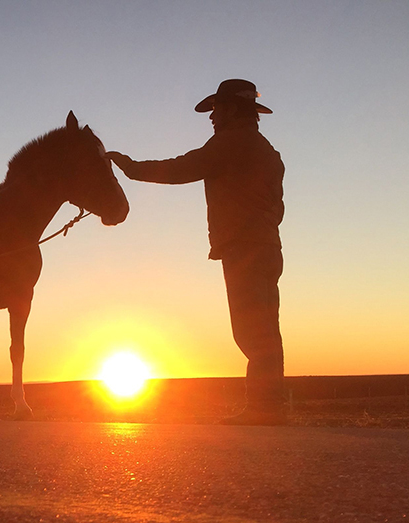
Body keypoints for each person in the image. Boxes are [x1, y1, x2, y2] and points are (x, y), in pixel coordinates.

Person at [108, 79, 287, 425]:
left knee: (251, 330)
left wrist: (132, 168)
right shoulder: (268, 152)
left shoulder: (231, 144)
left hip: (245, 248)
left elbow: (182, 168)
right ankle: (271, 407)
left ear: (232, 109)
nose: (212, 118)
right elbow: (277, 207)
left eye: (217, 110)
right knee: (266, 327)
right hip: (266, 246)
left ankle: (264, 410)